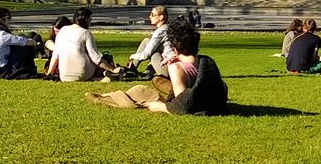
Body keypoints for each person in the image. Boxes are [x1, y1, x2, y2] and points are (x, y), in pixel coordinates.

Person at [86, 19, 228, 114]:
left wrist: (162, 107)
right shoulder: (206, 61)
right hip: (209, 100)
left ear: (174, 48)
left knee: (139, 91)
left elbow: (182, 103)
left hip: (196, 100)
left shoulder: (177, 67)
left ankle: (107, 96)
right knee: (155, 82)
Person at [45, 7, 120, 82]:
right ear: (86, 20)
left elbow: (55, 55)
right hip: (82, 73)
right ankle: (103, 76)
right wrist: (113, 69)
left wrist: (49, 73)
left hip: (64, 76)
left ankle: (100, 78)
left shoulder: (62, 30)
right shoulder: (85, 33)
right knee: (95, 56)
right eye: (90, 20)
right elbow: (95, 57)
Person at [0, 7, 40, 77]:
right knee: (24, 45)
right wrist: (35, 43)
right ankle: (31, 69)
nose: (9, 22)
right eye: (8, 18)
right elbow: (26, 42)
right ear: (2, 20)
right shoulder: (2, 35)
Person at [128, 5, 174, 73]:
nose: (150, 17)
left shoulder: (160, 31)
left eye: (153, 15)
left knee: (153, 51)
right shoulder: (167, 28)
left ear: (161, 17)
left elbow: (145, 55)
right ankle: (139, 70)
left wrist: (132, 56)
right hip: (173, 66)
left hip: (168, 69)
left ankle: (131, 70)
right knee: (147, 41)